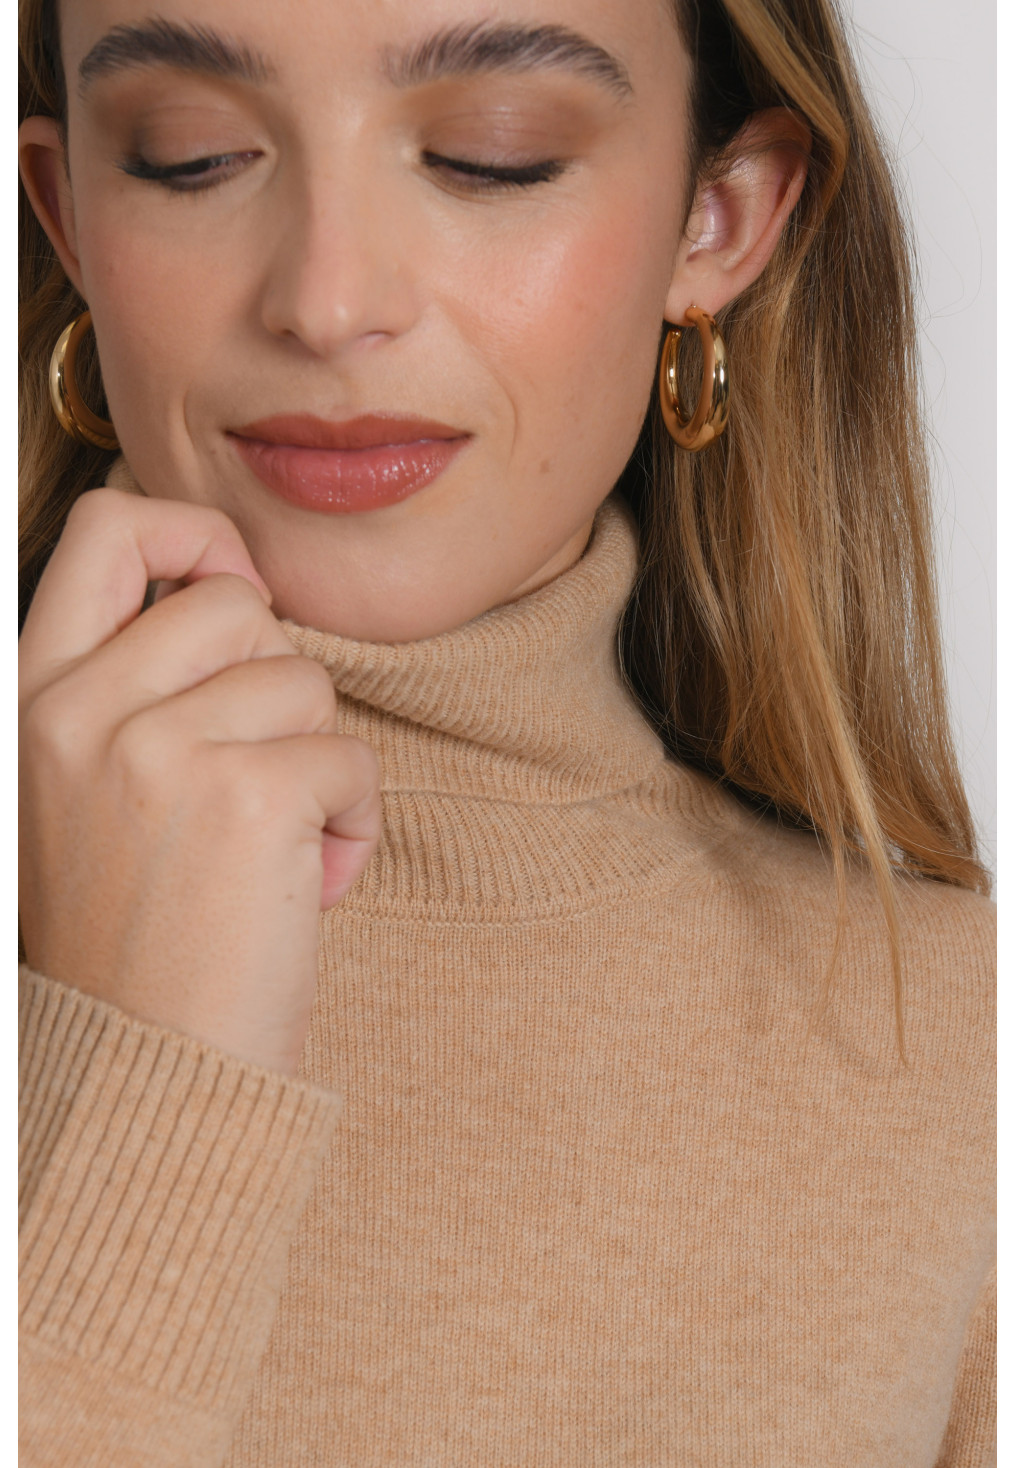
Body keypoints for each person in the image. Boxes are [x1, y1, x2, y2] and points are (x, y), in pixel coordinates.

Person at [17, 0, 994, 1463]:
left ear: (720, 219)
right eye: (192, 154)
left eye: (492, 155)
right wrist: (126, 1089)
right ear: (69, 216)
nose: (328, 302)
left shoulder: (955, 1039)